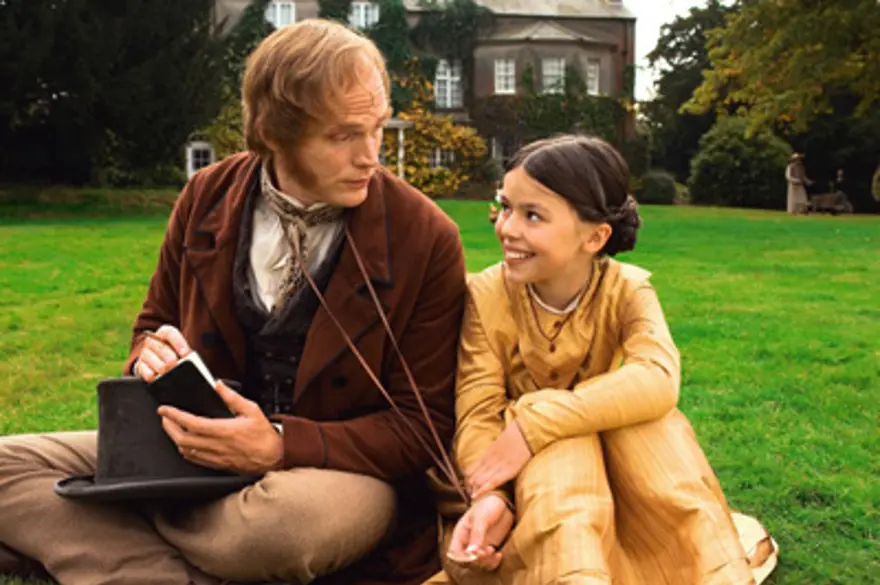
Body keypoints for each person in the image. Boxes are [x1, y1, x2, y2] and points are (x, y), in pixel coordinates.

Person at [0, 19, 466, 585]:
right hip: (193, 454)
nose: (371, 156)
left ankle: (110, 526)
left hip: (331, 478)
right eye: (343, 136)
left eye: (376, 128)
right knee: (4, 464)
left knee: (276, 532)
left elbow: (423, 427)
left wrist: (277, 446)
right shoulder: (206, 195)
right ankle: (158, 565)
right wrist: (150, 354)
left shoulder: (426, 236)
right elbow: (153, 324)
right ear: (274, 132)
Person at [433, 135, 778, 585]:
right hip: (524, 485)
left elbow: (658, 377)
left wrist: (537, 425)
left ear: (595, 236)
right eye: (505, 207)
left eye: (532, 215)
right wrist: (490, 496)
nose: (507, 228)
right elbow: (477, 409)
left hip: (614, 485)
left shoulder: (626, 290)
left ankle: (693, 566)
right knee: (563, 452)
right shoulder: (486, 294)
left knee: (650, 423)